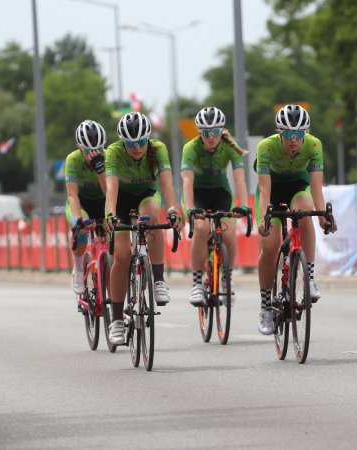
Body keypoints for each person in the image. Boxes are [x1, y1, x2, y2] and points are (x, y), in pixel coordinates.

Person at [255, 104, 337, 335]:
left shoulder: (314, 145)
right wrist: (264, 218)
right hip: (271, 190)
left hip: (297, 187)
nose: (293, 139)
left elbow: (317, 189)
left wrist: (324, 216)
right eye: (288, 134)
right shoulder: (266, 146)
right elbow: (263, 191)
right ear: (280, 132)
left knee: (305, 212)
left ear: (306, 133)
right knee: (269, 246)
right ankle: (265, 306)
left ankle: (309, 279)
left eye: (299, 134)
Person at [105, 112, 183, 345]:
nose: (137, 147)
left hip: (146, 195)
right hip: (120, 201)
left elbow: (167, 182)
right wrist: (110, 213)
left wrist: (172, 209)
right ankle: (117, 319)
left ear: (148, 139)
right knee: (121, 255)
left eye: (141, 142)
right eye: (131, 143)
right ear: (123, 142)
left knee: (151, 214)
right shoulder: (114, 152)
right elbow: (111, 187)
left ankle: (158, 280)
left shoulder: (157, 148)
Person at [181, 106, 249, 307]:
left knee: (228, 235)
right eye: (205, 132)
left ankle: (227, 277)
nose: (211, 137)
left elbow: (239, 179)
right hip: (198, 194)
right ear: (199, 132)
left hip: (221, 193)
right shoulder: (190, 148)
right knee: (201, 229)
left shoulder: (230, 146)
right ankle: (196, 283)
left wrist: (244, 205)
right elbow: (186, 181)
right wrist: (191, 208)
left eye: (215, 132)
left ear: (222, 130)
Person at [65, 119, 107, 294]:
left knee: (114, 235)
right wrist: (79, 220)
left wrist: (100, 170)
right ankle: (78, 269)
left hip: (102, 201)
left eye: (98, 148)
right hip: (80, 203)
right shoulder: (73, 160)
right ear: (79, 147)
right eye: (89, 150)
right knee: (80, 231)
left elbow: (109, 192)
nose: (94, 153)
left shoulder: (108, 157)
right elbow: (72, 194)